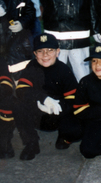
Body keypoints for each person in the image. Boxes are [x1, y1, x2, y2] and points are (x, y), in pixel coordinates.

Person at [14, 32, 82, 160]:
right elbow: (21, 89)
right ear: (35, 54)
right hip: (38, 113)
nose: (45, 55)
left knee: (77, 129)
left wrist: (56, 106)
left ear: (57, 52)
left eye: (50, 50)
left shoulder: (63, 70)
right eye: (40, 51)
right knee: (17, 105)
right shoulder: (32, 66)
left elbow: (73, 99)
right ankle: (31, 143)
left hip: (58, 113)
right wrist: (43, 99)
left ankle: (64, 138)